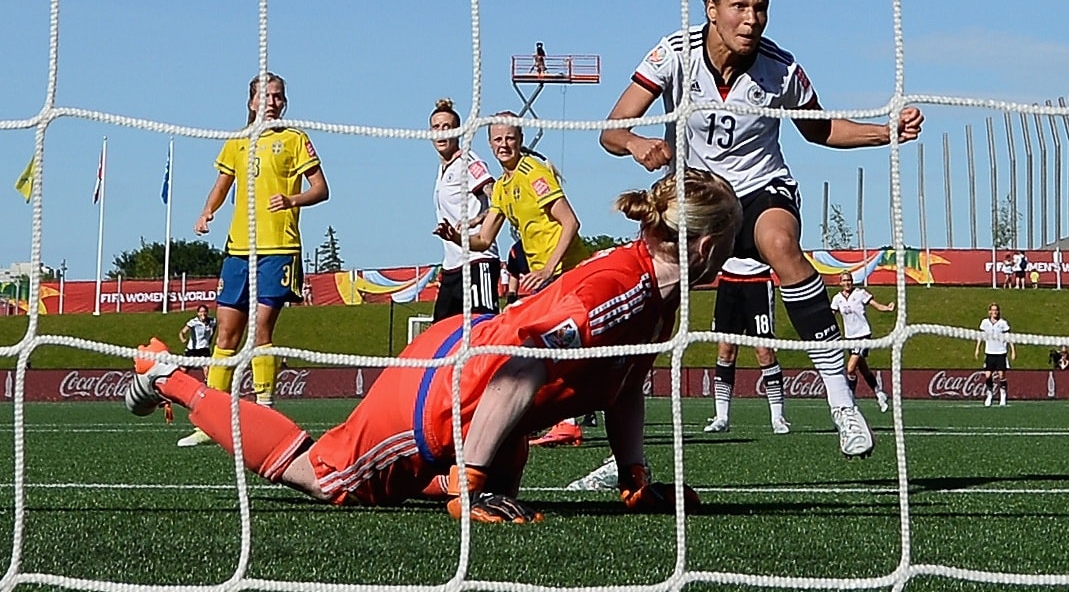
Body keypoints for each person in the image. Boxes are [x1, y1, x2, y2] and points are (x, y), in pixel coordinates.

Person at [125, 169, 740, 523]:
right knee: (329, 480)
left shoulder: (660, 297)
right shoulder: (618, 291)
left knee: (499, 485)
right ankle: (169, 373)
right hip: (449, 388)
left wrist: (635, 480)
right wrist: (472, 482)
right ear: (708, 247)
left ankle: (458, 473)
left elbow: (624, 385)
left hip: (480, 375)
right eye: (733, 239)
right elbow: (520, 366)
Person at [599, 0, 922, 459]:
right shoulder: (672, 54)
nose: (752, 19)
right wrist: (636, 143)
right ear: (711, 8)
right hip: (697, 199)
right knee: (651, 301)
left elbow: (819, 130)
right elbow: (610, 129)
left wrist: (887, 131)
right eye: (740, 6)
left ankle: (842, 403)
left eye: (762, 7)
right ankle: (622, 455)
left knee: (780, 243)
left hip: (758, 190)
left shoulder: (781, 68)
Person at [182, 72, 329, 447]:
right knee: (227, 331)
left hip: (278, 248)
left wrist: (292, 200)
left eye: (279, 96)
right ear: (251, 102)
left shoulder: (294, 139)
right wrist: (206, 212)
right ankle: (209, 419)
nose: (274, 103)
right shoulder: (237, 142)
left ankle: (265, 408)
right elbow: (221, 185)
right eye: (267, 97)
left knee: (261, 329)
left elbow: (321, 189)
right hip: (238, 249)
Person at [439, 114, 592, 447]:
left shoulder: (534, 174)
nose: (503, 145)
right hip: (546, 279)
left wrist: (550, 268)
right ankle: (561, 419)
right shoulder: (504, 187)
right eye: (497, 140)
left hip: (568, 275)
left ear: (520, 140)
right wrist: (455, 236)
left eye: (509, 138)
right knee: (542, 347)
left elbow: (571, 223)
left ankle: (566, 421)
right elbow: (483, 240)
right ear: (490, 144)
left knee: (554, 347)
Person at [428, 98, 501, 321]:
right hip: (452, 267)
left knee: (481, 330)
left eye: (447, 127)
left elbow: (500, 197)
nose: (441, 133)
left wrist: (478, 219)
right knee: (442, 334)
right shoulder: (443, 169)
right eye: (436, 127)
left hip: (477, 262)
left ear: (458, 132)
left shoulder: (468, 162)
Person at [702, 257, 790, 434]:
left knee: (764, 351)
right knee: (725, 351)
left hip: (758, 281)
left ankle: (777, 417)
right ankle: (722, 417)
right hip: (728, 282)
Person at [830, 271, 895, 413]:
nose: (847, 283)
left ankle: (850, 400)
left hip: (863, 335)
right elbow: (831, 315)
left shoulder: (860, 293)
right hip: (850, 337)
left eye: (849, 280)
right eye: (844, 280)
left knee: (850, 368)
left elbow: (875, 304)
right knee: (863, 369)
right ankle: (879, 394)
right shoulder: (837, 299)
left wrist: (887, 308)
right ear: (840, 283)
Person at [976, 303, 1013, 407]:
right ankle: (989, 394)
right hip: (989, 352)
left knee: (1001, 375)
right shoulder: (985, 323)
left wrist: (1013, 350)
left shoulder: (1003, 323)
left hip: (1001, 352)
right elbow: (981, 336)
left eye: (996, 310)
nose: (994, 312)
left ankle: (1003, 395)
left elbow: (1009, 337)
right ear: (989, 312)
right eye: (992, 310)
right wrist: (978, 348)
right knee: (988, 375)